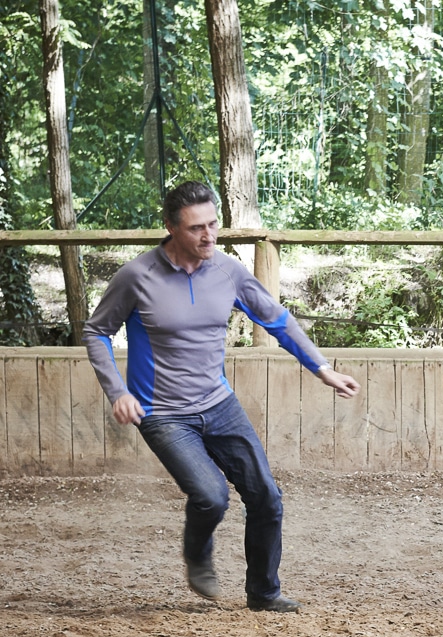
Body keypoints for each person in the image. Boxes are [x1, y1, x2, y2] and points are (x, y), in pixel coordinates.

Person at [83, 181, 360, 613]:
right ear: (172, 228)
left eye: (213, 224)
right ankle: (197, 554)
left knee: (266, 497)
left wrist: (322, 368)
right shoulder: (138, 277)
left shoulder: (228, 271)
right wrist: (117, 391)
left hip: (219, 404)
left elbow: (278, 321)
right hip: (163, 413)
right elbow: (96, 331)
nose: (208, 235)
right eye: (197, 228)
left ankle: (264, 593)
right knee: (211, 496)